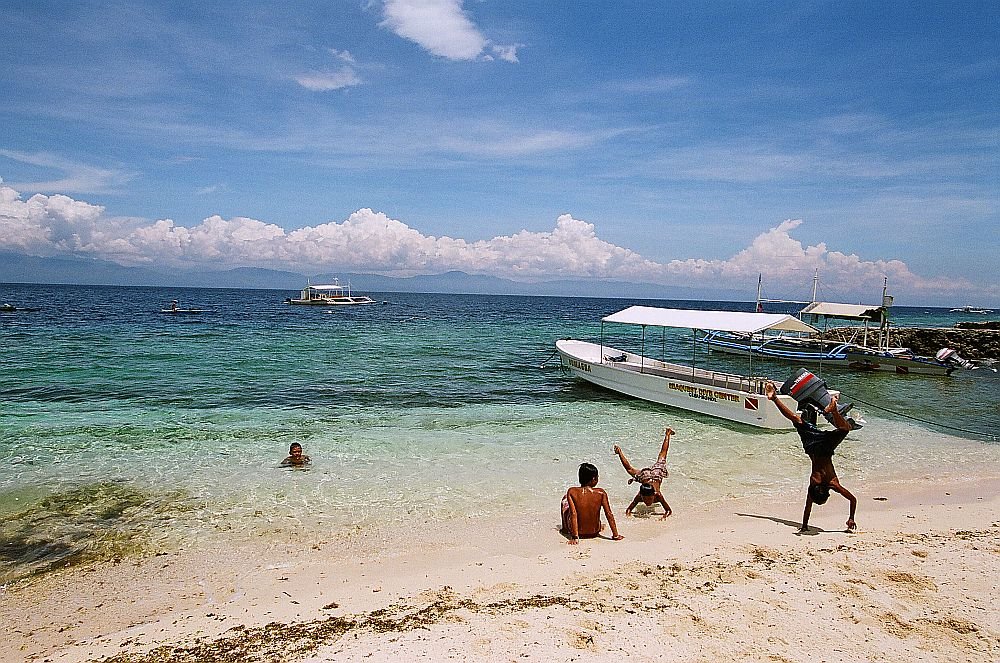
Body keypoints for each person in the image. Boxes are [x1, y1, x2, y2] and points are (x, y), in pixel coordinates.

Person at [765, 381, 857, 533]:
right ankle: (774, 397)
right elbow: (807, 507)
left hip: (825, 447)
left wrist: (852, 517)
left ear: (827, 492)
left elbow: (853, 500)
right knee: (796, 419)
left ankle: (833, 410)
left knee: (845, 429)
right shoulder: (814, 484)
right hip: (812, 447)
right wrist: (804, 525)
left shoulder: (832, 484)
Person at [613, 427, 673, 520]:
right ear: (641, 495)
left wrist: (664, 517)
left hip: (656, 475)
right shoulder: (639, 496)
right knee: (629, 470)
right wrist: (628, 516)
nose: (647, 502)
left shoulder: (658, 495)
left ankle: (668, 433)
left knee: (663, 455)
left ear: (654, 495)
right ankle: (619, 452)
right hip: (646, 476)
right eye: (645, 499)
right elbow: (629, 509)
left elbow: (668, 511)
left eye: (649, 499)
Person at [560, 462, 624, 545]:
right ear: (594, 478)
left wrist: (575, 537)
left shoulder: (572, 491)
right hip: (594, 532)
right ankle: (600, 527)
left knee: (564, 501)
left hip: (579, 533)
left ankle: (564, 529)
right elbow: (609, 514)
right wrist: (616, 535)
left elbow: (573, 514)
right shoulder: (601, 493)